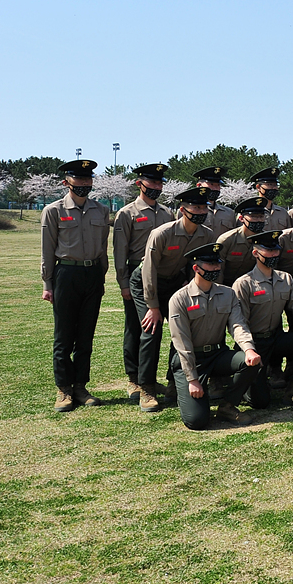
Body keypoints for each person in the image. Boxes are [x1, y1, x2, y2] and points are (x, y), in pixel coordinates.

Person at [133, 185, 218, 412]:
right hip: (147, 282)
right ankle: (147, 388)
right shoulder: (162, 233)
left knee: (183, 329)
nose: (201, 211)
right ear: (182, 210)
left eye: (204, 207)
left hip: (175, 283)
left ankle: (174, 381)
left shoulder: (207, 235)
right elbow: (147, 272)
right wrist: (153, 307)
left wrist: (189, 282)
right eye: (195, 207)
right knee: (151, 331)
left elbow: (198, 265)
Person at [40, 158, 111, 412]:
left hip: (92, 276)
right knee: (64, 336)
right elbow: (47, 250)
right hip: (66, 275)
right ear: (66, 181)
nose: (84, 183)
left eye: (88, 179)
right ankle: (64, 389)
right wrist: (47, 283)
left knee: (85, 336)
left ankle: (80, 386)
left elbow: (102, 248)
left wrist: (101, 276)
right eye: (78, 179)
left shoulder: (101, 211)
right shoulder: (54, 210)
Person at [168, 242, 259, 429]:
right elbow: (182, 342)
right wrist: (192, 380)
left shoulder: (228, 294)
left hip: (217, 355)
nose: (216, 268)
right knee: (197, 421)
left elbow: (237, 325)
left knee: (249, 361)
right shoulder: (179, 299)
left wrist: (249, 349)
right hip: (192, 360)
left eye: (218, 263)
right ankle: (187, 391)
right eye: (210, 264)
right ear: (196, 268)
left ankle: (227, 406)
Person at [230, 230, 293, 408]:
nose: (274, 254)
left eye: (276, 250)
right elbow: (239, 322)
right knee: (260, 402)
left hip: (276, 338)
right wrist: (249, 349)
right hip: (255, 343)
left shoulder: (285, 279)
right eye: (268, 251)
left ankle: (292, 390)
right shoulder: (244, 283)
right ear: (256, 253)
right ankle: (247, 383)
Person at [111, 163, 172, 408]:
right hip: (136, 274)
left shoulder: (168, 213)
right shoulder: (127, 213)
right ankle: (135, 378)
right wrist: (123, 282)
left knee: (153, 327)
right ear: (140, 183)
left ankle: (151, 379)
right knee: (137, 327)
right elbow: (119, 251)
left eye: (159, 183)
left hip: (162, 274)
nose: (156, 187)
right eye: (152, 182)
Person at [215, 197, 271, 286]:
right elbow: (217, 270)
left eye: (261, 216)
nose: (259, 220)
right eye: (253, 216)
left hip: (253, 286)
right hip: (226, 286)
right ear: (241, 218)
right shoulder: (227, 240)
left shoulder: (268, 240)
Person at [193, 166, 238, 235]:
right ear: (199, 185)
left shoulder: (229, 213)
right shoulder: (189, 211)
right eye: (212, 184)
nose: (215, 188)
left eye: (218, 185)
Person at [250, 168, 290, 232]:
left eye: (275, 185)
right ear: (258, 187)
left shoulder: (283, 213)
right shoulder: (249, 212)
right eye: (270, 184)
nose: (274, 188)